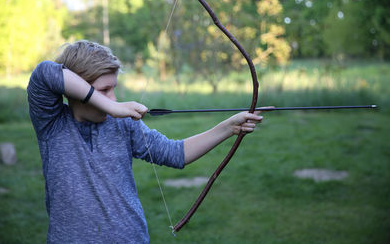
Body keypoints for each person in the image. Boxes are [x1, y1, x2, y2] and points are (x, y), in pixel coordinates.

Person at [27, 40, 264, 243]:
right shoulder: (52, 124)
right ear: (76, 90)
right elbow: (45, 73)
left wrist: (228, 127)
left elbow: (176, 154)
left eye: (114, 89)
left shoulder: (124, 124)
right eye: (104, 90)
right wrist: (112, 107)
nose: (114, 98)